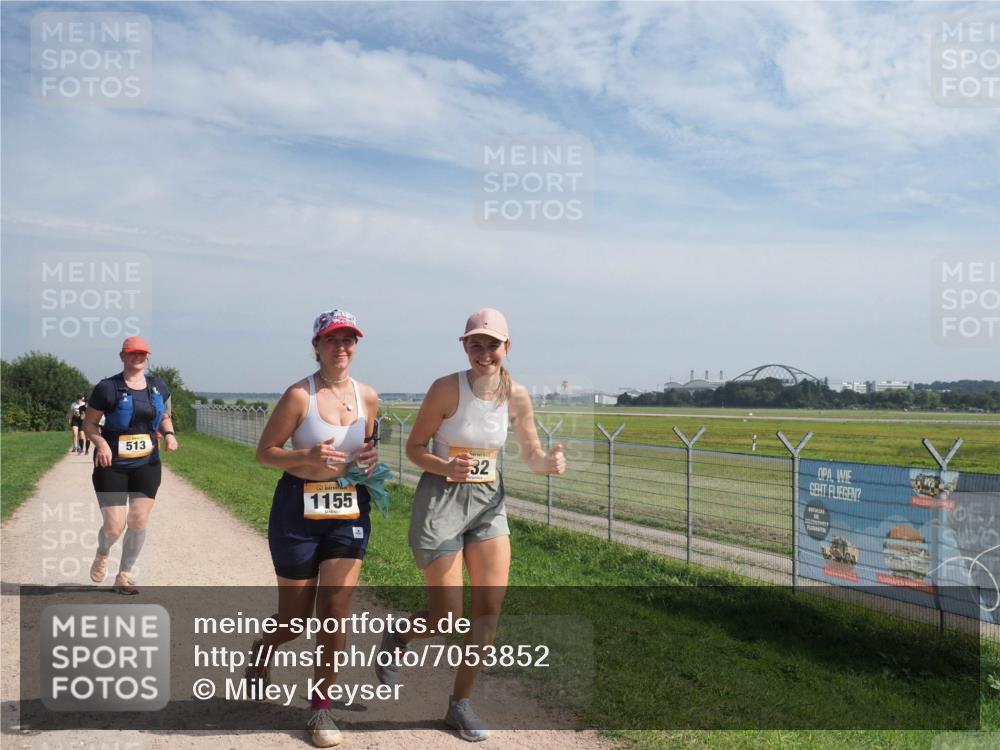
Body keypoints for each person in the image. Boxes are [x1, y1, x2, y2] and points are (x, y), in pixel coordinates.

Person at [375, 307, 565, 742]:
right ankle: (398, 637)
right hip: (441, 499)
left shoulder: (516, 394)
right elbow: (415, 448)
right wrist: (446, 467)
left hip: (488, 502)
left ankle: (459, 706)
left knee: (488, 611)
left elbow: (532, 454)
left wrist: (548, 464)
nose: (484, 352)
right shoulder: (446, 388)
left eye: (492, 344)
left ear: (506, 347)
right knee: (446, 619)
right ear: (464, 346)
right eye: (475, 343)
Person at [250, 308, 380, 748]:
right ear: (317, 346)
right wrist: (303, 458)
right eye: (332, 340)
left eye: (349, 340)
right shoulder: (298, 396)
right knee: (294, 620)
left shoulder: (369, 397)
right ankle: (264, 648)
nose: (341, 348)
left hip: (348, 509)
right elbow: (265, 453)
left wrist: (369, 461)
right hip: (297, 512)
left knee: (336, 609)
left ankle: (320, 707)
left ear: (356, 346)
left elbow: (368, 449)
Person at [82, 337, 178, 595]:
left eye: (142, 354)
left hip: (147, 463)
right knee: (114, 525)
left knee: (138, 519)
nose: (137, 358)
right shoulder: (107, 388)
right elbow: (89, 424)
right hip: (111, 463)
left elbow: (164, 417)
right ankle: (103, 552)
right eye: (132, 354)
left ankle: (124, 575)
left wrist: (169, 434)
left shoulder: (159, 387)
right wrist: (100, 444)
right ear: (122, 356)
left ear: (147, 357)